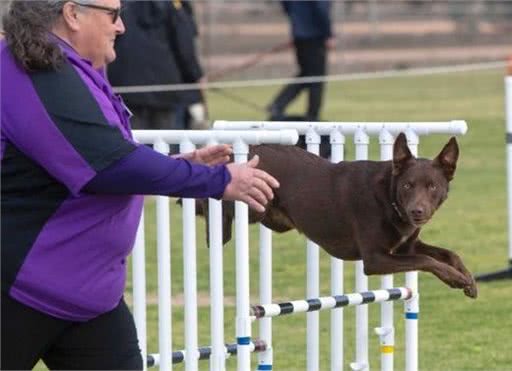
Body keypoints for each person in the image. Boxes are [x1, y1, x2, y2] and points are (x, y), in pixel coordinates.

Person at [0, 1, 278, 370]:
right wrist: (219, 180)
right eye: (113, 15)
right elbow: (108, 165)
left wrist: (176, 166)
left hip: (87, 293)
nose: (121, 28)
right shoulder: (35, 70)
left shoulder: (65, 68)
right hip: (20, 289)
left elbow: (95, 158)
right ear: (72, 14)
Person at [107, 0, 206, 131]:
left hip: (126, 84)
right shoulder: (172, 5)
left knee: (132, 141)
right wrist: (195, 75)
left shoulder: (121, 4)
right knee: (166, 143)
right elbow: (184, 44)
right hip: (164, 86)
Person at [267, 0, 334, 122]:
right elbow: (320, 8)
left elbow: (286, 4)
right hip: (315, 35)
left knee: (306, 73)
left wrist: (297, 21)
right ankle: (313, 117)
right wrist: (327, 33)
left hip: (299, 33)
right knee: (317, 78)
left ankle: (277, 105)